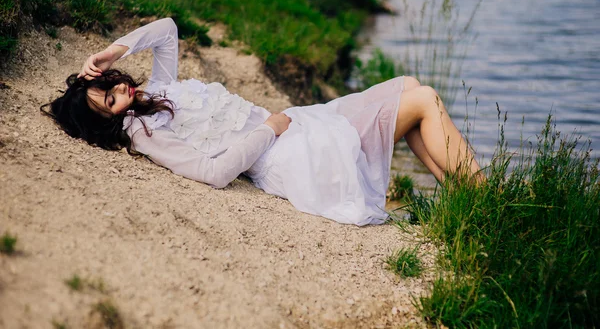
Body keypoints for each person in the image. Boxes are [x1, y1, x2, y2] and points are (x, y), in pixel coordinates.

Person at [43, 18, 481, 226]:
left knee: (408, 84)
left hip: (300, 124)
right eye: (110, 102)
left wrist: (111, 53)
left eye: (112, 86)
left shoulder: (158, 93)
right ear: (108, 123)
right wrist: (270, 128)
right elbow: (212, 173)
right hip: (291, 150)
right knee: (422, 101)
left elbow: (168, 29)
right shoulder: (144, 133)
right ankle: (488, 199)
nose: (121, 93)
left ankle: (470, 202)